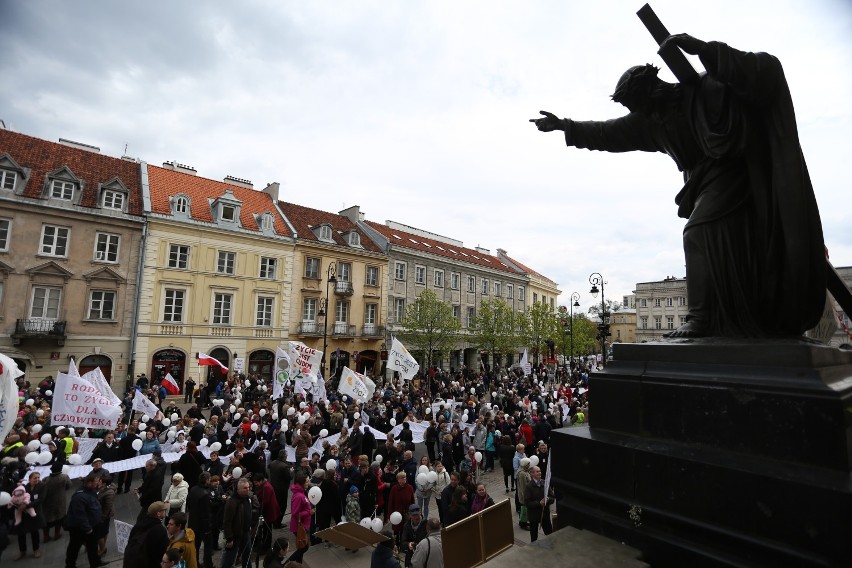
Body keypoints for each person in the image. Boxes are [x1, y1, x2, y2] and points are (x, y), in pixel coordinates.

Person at [531, 33, 825, 338]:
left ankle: (703, 317)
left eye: (640, 104)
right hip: (704, 183)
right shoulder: (650, 121)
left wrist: (706, 51)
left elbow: (765, 71)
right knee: (732, 244)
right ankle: (736, 315)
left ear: (652, 88)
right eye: (635, 108)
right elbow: (607, 133)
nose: (639, 113)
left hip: (737, 171)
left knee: (698, 230)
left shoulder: (703, 89)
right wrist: (566, 125)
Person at [64, 474, 103, 568]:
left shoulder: (89, 490)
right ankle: (70, 565)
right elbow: (79, 515)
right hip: (80, 528)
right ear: (90, 483)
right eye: (96, 482)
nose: (98, 483)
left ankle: (95, 563)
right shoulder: (79, 497)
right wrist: (88, 528)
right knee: (75, 546)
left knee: (93, 546)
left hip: (91, 525)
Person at [123, 501, 169, 568]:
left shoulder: (138, 524)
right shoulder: (160, 530)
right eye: (164, 510)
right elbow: (162, 553)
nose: (165, 512)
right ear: (158, 514)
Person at [221, 478, 253, 568]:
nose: (247, 490)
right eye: (244, 488)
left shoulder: (247, 498)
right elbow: (227, 521)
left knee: (247, 555)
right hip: (235, 536)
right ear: (238, 489)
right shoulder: (232, 502)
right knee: (229, 559)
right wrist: (229, 538)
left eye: (248, 487)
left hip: (245, 533)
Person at [15, 471, 46, 559]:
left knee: (34, 532)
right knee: (21, 533)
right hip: (23, 513)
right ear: (29, 479)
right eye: (34, 478)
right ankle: (22, 551)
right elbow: (18, 496)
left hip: (34, 513)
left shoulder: (42, 486)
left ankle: (36, 550)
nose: (37, 479)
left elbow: (40, 499)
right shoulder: (25, 486)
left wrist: (27, 505)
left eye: (38, 478)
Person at [186, 473, 214, 568]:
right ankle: (208, 565)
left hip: (193, 523)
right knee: (207, 547)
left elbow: (189, 504)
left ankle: (195, 564)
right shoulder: (205, 494)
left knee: (195, 546)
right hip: (202, 526)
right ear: (206, 480)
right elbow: (205, 513)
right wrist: (208, 528)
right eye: (209, 479)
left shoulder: (193, 489)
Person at [523, 466, 553, 543]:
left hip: (545, 514)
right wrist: (539, 503)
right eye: (537, 471)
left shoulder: (545, 483)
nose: (539, 472)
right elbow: (527, 503)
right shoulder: (529, 486)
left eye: (539, 471)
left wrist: (548, 499)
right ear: (532, 474)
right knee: (534, 537)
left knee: (549, 534)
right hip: (534, 515)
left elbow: (552, 498)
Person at [43, 461, 71, 542]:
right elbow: (68, 486)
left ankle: (46, 536)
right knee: (59, 517)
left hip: (48, 502)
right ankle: (57, 534)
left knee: (47, 520)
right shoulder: (64, 477)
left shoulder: (46, 479)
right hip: (60, 500)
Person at [287, 474, 311, 564]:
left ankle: (298, 564)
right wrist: (308, 512)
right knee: (304, 547)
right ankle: (288, 563)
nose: (308, 483)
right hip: (299, 526)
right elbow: (295, 513)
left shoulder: (301, 493)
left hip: (302, 525)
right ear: (302, 483)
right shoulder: (298, 496)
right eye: (307, 482)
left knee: (302, 547)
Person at [386, 472, 414, 542]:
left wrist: (412, 512)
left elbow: (412, 501)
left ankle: (403, 544)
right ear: (398, 480)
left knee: (405, 530)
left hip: (406, 514)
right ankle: (396, 544)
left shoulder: (409, 488)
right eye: (402, 478)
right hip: (396, 514)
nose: (404, 479)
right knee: (396, 531)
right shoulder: (394, 489)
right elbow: (390, 503)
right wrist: (390, 514)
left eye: (405, 477)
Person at [95, 474, 116, 558]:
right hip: (100, 514)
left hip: (104, 516)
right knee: (103, 531)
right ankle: (103, 547)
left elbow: (107, 508)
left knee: (101, 532)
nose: (98, 482)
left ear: (104, 484)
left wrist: (102, 518)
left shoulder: (109, 493)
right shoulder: (102, 488)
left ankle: (102, 548)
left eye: (99, 481)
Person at [268, 450, 291, 524]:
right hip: (282, 489)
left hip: (273, 487)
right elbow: (289, 477)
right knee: (282, 506)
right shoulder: (284, 466)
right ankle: (277, 522)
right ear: (284, 457)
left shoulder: (273, 463)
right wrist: (292, 471)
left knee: (275, 505)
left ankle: (273, 520)